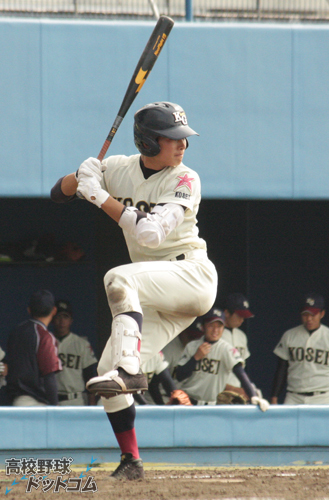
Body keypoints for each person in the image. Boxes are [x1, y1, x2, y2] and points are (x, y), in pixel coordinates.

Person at [50, 101, 218, 480]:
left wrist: (97, 195)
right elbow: (56, 194)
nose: (182, 146)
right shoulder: (122, 168)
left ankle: (130, 369)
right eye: (172, 138)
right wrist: (81, 175)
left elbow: (149, 233)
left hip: (190, 275)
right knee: (107, 376)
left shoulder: (186, 178)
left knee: (118, 278)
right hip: (155, 292)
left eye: (183, 138)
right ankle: (131, 461)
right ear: (146, 142)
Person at [175, 307, 269, 410]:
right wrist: (195, 358)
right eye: (211, 325)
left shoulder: (226, 349)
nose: (215, 330)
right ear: (203, 327)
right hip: (188, 403)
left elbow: (240, 373)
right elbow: (180, 375)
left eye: (219, 326)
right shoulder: (192, 346)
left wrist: (253, 396)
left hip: (212, 405)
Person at [271, 293, 329, 405]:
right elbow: (282, 369)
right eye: (305, 315)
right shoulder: (290, 335)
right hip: (294, 396)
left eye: (313, 315)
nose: (309, 319)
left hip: (323, 397)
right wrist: (274, 397)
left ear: (322, 314)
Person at [6, 290, 61, 406]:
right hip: (34, 403)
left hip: (12, 400)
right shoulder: (44, 335)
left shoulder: (16, 331)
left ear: (29, 310)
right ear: (54, 310)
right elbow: (49, 376)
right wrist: (55, 407)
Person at [52, 299, 98, 406]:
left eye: (65, 317)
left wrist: (92, 403)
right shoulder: (46, 342)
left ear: (71, 321)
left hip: (75, 400)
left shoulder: (81, 344)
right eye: (58, 316)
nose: (62, 321)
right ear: (53, 319)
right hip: (51, 399)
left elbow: (90, 377)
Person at [222, 293, 254, 394]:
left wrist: (246, 388)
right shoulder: (215, 335)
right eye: (239, 315)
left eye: (244, 316)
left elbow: (243, 368)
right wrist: (233, 389)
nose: (242, 320)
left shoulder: (242, 336)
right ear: (227, 313)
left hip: (237, 390)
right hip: (217, 392)